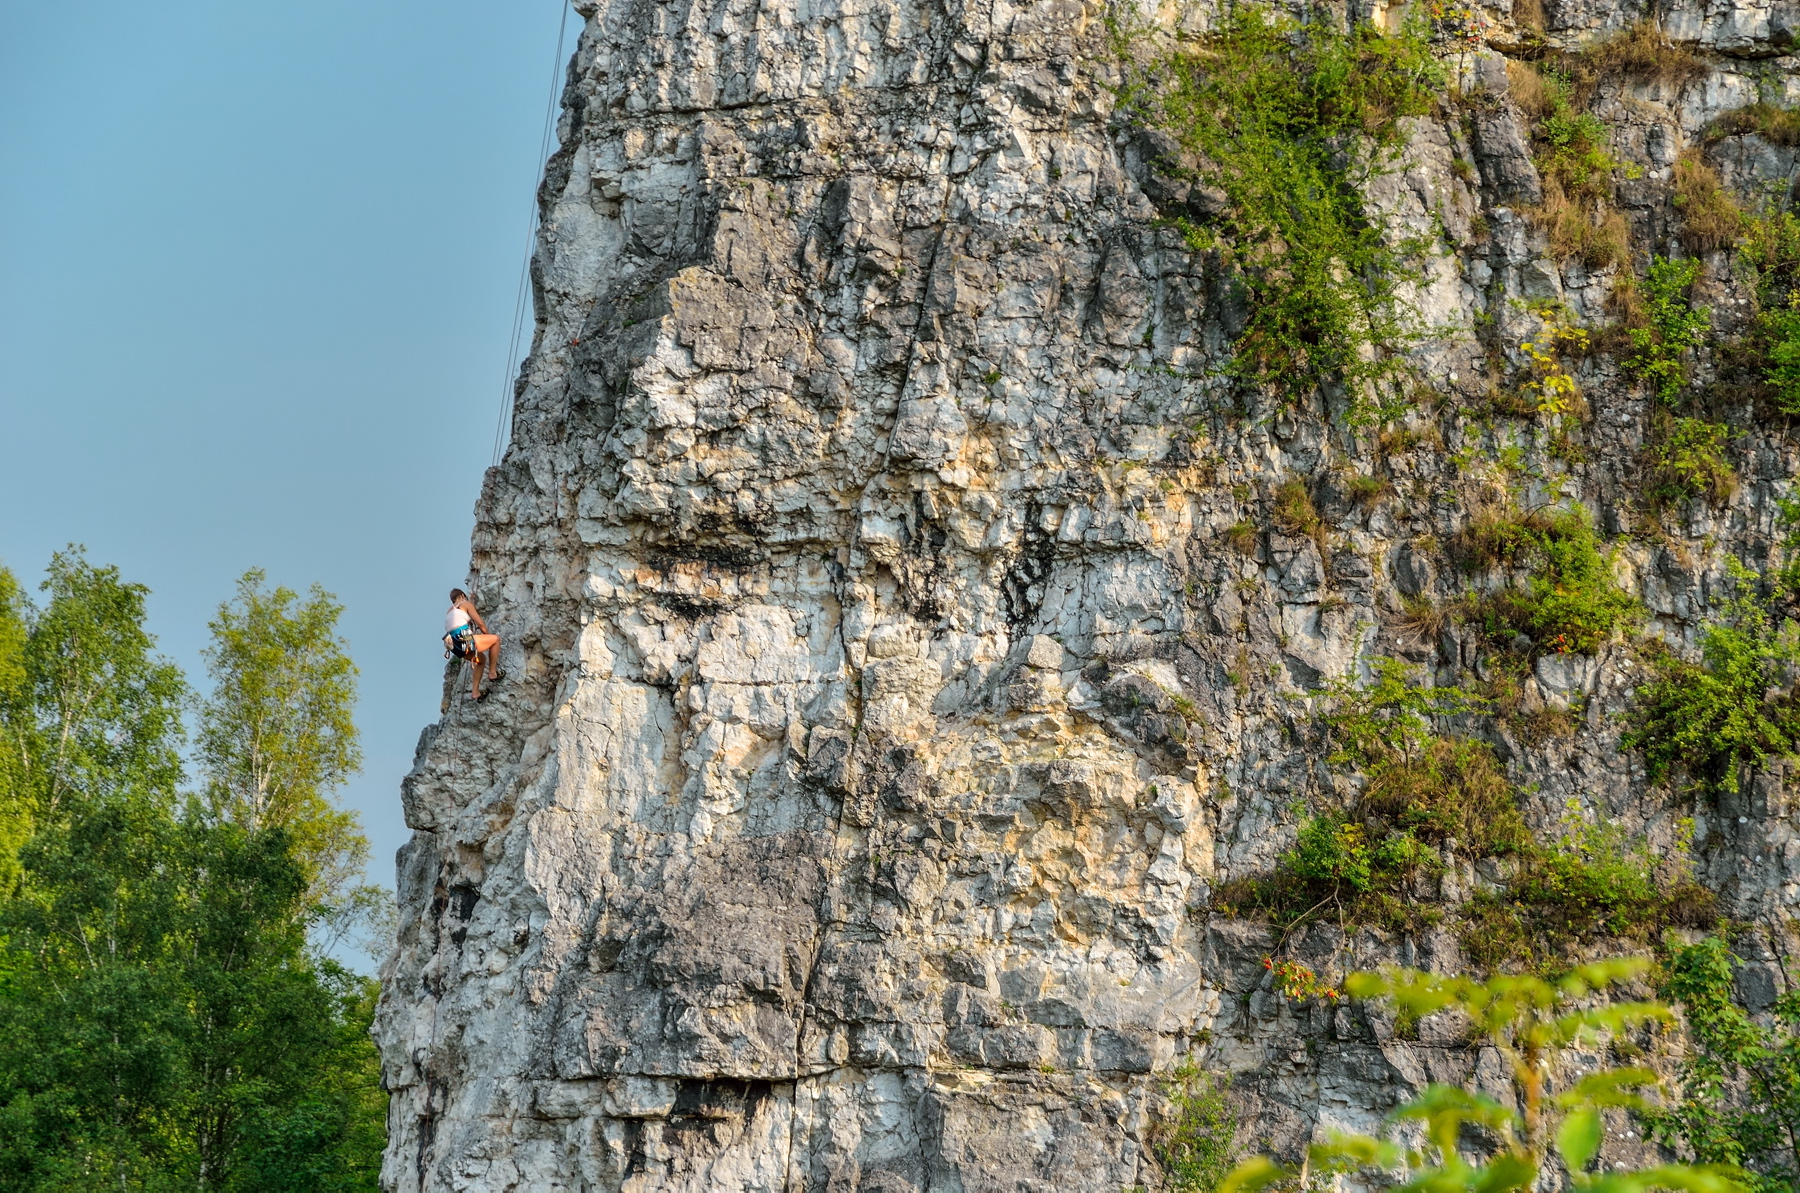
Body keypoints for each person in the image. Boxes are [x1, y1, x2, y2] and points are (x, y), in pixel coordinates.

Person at [445, 588, 504, 701]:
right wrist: (487, 634)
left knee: (481, 660)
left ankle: (475, 692)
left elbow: (460, 617)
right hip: (463, 638)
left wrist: (470, 601)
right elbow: (480, 622)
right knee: (495, 640)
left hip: (454, 646)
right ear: (462, 595)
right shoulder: (465, 603)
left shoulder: (449, 611)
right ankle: (492, 673)